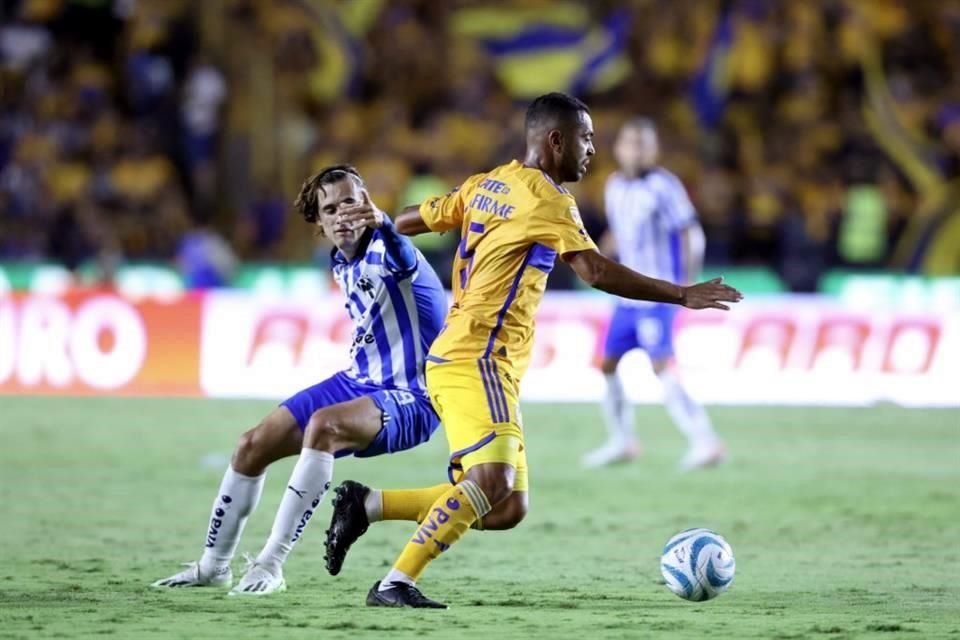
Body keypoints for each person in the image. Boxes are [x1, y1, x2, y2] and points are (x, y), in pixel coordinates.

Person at [323, 93, 743, 609]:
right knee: (491, 480)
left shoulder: (486, 183)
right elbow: (595, 271)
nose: (593, 149)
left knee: (506, 507)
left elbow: (420, 217)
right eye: (586, 138)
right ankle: (396, 583)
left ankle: (365, 504)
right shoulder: (548, 200)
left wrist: (377, 221)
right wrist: (682, 293)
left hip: (467, 359)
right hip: (478, 358)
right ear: (556, 140)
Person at [151, 165, 448, 595]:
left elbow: (401, 250)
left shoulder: (388, 248)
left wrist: (384, 221)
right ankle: (213, 565)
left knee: (325, 426)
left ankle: (271, 564)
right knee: (252, 445)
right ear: (320, 223)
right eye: (331, 208)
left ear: (366, 202)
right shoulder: (339, 261)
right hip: (358, 379)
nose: (343, 213)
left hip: (413, 397)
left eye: (351, 200)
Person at [582, 118, 726, 471]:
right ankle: (622, 441)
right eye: (632, 143)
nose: (638, 150)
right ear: (618, 149)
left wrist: (688, 284)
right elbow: (621, 232)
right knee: (607, 364)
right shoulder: (614, 185)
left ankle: (705, 441)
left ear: (654, 149)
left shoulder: (664, 186)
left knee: (661, 364)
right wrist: (596, 257)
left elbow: (692, 233)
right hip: (626, 296)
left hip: (659, 292)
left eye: (644, 144)